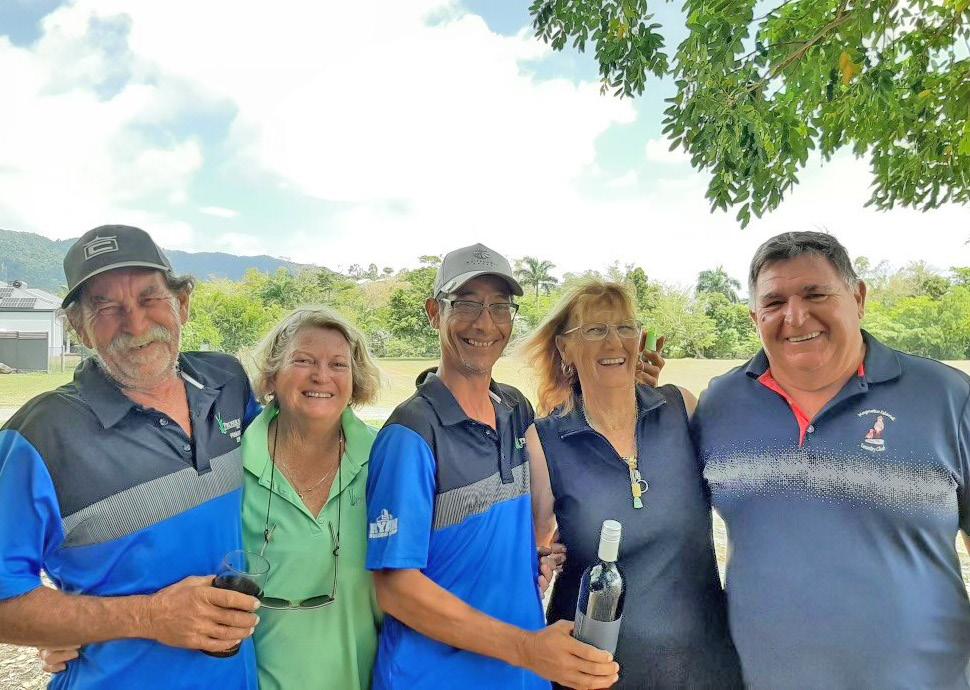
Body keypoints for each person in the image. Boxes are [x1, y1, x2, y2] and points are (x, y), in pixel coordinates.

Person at [692, 230, 970, 689]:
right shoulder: (720, 404)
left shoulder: (948, 398)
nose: (796, 316)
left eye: (815, 294)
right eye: (775, 302)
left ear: (858, 298)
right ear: (754, 317)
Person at [0, 225, 261, 689]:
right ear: (78, 327)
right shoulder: (38, 437)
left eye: (149, 298)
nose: (136, 325)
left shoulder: (228, 383)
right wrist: (148, 616)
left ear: (182, 303)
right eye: (106, 307)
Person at [364, 244, 620, 690]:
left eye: (499, 306)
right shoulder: (411, 434)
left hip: (520, 674)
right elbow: (396, 589)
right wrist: (527, 648)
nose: (485, 323)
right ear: (434, 313)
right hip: (433, 678)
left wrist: (527, 555)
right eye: (466, 304)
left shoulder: (514, 409)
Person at [523, 280, 743, 689]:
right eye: (595, 330)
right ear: (565, 348)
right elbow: (534, 547)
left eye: (624, 327)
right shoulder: (545, 441)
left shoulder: (681, 409)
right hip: (592, 673)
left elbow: (744, 498)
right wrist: (540, 562)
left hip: (703, 669)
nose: (614, 342)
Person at [242, 307, 383, 690]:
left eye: (338, 364)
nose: (321, 375)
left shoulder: (385, 460)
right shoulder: (230, 464)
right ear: (273, 374)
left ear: (355, 379)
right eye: (303, 360)